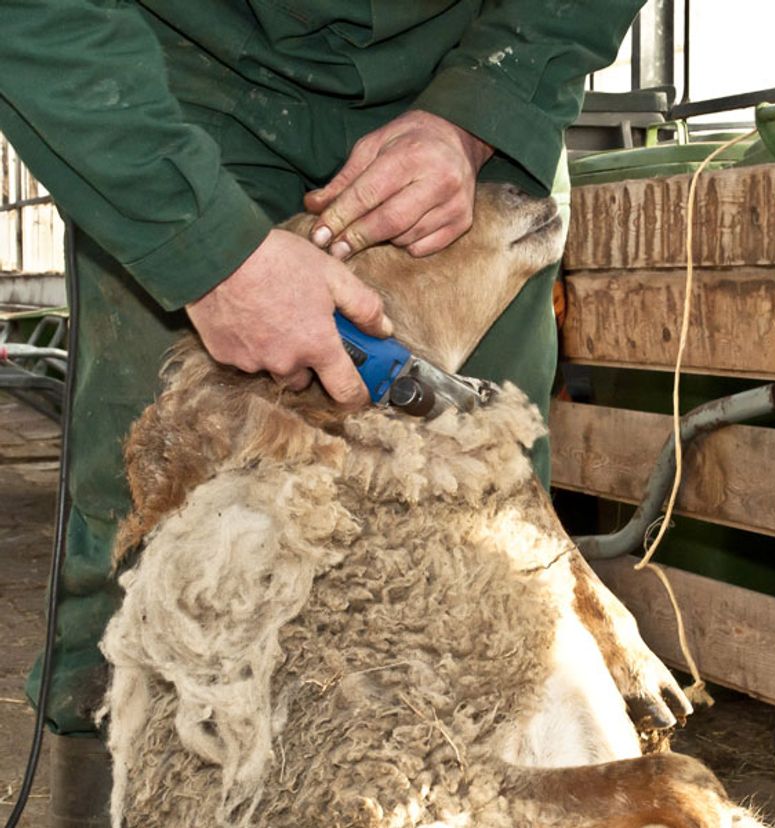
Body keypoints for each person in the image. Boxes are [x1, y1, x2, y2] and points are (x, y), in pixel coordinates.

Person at [0, 2, 643, 823]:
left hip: (462, 72)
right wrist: (204, 248)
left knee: (475, 539)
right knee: (154, 538)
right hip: (184, 85)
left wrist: (483, 108)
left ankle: (494, 789)